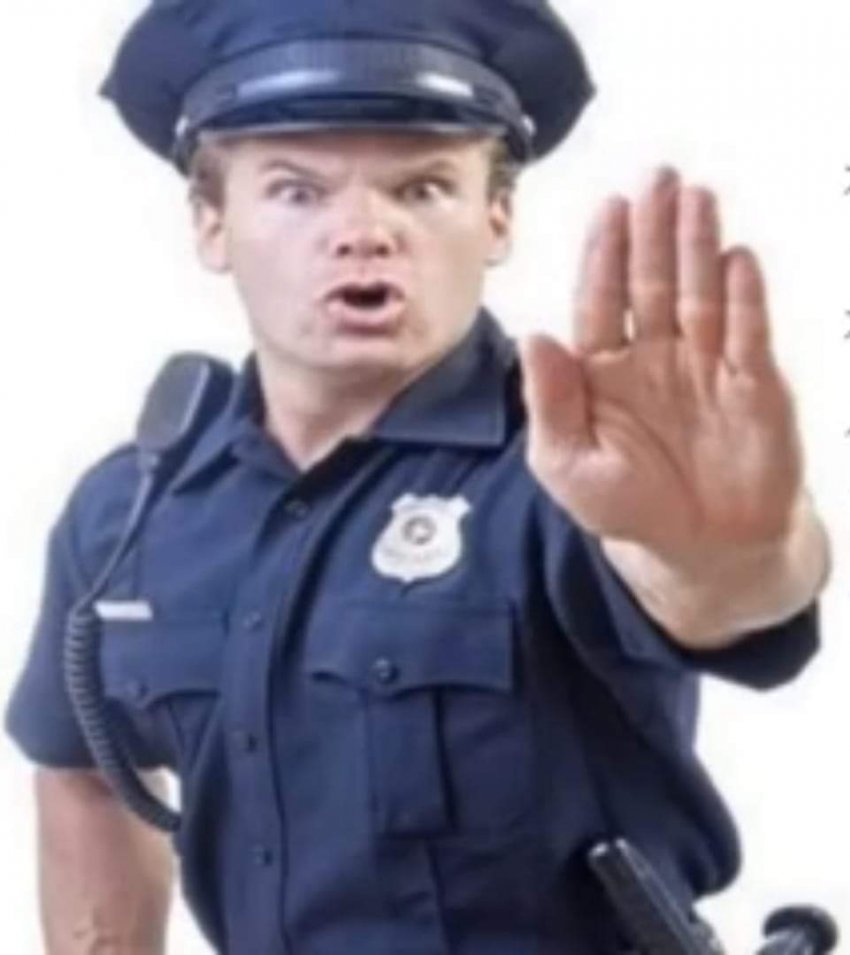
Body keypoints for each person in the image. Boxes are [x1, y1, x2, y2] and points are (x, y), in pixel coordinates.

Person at [5, 1, 832, 952]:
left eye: (423, 188)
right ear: (211, 222)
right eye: (297, 191)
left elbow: (721, 590)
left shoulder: (579, 470)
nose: (364, 231)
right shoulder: (131, 506)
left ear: (495, 217)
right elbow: (81, 764)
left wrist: (732, 550)